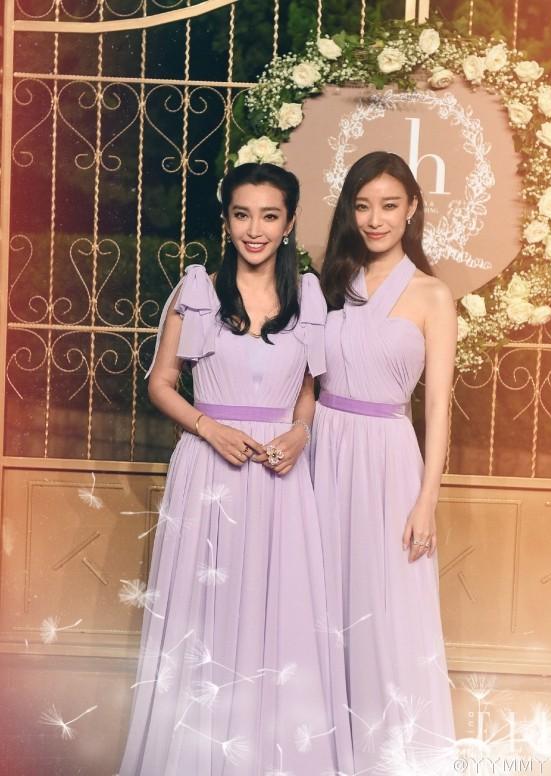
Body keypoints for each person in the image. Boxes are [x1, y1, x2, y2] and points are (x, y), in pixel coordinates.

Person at [118, 162, 342, 775]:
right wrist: (209, 428)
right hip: (209, 471)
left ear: (290, 223)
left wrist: (300, 433)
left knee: (278, 615)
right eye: (242, 215)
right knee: (205, 614)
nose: (255, 229)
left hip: (280, 477)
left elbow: (308, 393)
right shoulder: (198, 291)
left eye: (270, 216)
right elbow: (160, 383)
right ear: (226, 221)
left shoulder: (309, 298)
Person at [312, 151, 457, 772]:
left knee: (387, 609)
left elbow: (438, 408)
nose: (375, 219)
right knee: (321, 601)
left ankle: (388, 757)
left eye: (390, 205)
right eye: (363, 205)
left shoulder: (432, 294)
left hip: (391, 460)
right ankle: (322, 752)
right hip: (322, 452)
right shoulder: (328, 284)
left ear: (412, 208)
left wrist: (427, 500)